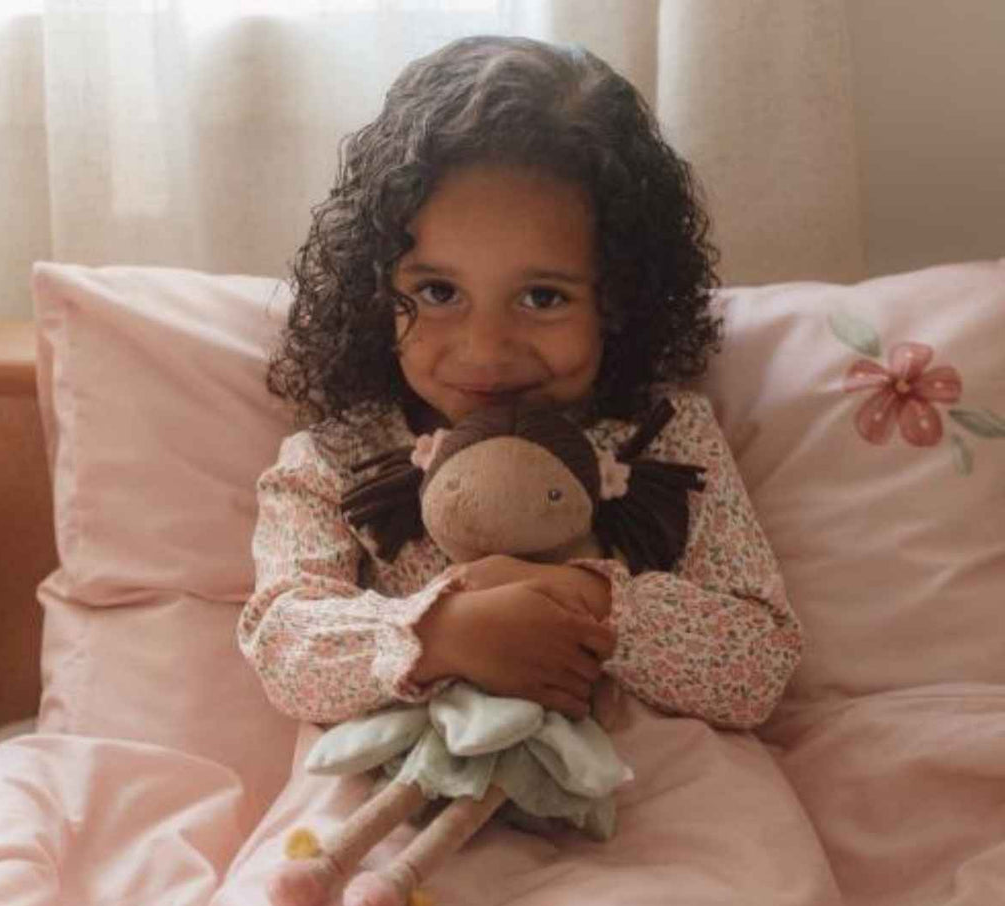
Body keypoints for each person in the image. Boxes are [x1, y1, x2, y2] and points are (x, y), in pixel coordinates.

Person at [238, 35, 803, 746]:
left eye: (542, 297)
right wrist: (443, 630)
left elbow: (759, 664)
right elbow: (283, 642)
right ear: (376, 290)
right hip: (402, 812)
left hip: (656, 802)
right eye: (438, 291)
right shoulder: (336, 458)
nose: (487, 350)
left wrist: (586, 601)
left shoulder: (666, 439)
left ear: (620, 299)